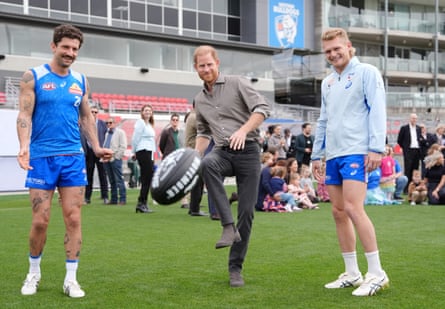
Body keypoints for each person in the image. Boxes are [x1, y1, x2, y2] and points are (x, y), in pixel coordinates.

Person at [16, 24, 113, 298]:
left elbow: (86, 117)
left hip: (73, 157)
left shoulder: (80, 81)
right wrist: (24, 146)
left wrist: (96, 146)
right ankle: (33, 272)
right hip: (42, 157)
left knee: (73, 217)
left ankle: (71, 279)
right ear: (53, 46)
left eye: (75, 49)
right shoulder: (32, 77)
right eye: (66, 47)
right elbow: (24, 115)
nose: (70, 53)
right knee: (40, 221)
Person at [311, 28, 389, 297]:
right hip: (333, 154)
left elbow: (377, 109)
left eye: (337, 48)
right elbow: (323, 120)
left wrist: (376, 148)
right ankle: (352, 273)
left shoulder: (367, 72)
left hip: (357, 151)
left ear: (348, 46)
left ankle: (377, 273)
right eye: (328, 51)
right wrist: (316, 154)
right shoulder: (327, 82)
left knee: (355, 209)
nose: (333, 54)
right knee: (338, 212)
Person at [193, 45, 270, 287]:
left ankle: (235, 268)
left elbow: (262, 109)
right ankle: (227, 226)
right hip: (223, 152)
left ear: (217, 63)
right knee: (207, 164)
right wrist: (193, 156)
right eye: (201, 66)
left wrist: (243, 130)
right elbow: (203, 132)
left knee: (246, 214)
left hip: (247, 150)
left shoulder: (237, 83)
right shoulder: (199, 100)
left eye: (209, 64)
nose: (206, 69)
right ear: (195, 68)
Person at [159, 113, 188, 208]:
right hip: (169, 158)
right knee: (166, 179)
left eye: (176, 120)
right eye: (173, 119)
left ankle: (184, 201)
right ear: (171, 121)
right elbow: (161, 146)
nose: (175, 121)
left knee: (181, 179)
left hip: (179, 158)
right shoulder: (166, 132)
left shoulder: (181, 133)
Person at [132, 104, 157, 213]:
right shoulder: (140, 123)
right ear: (142, 112)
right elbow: (135, 138)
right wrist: (134, 151)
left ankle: (143, 202)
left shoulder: (149, 125)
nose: (148, 112)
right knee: (146, 177)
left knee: (148, 177)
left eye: (149, 110)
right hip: (143, 150)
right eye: (145, 110)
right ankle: (141, 203)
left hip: (149, 152)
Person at [184, 103, 207, 217]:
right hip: (195, 152)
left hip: (193, 151)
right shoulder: (194, 117)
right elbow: (204, 129)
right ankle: (195, 209)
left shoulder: (192, 116)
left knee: (197, 181)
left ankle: (194, 208)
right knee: (198, 182)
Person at [82, 105, 109, 204]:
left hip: (100, 151)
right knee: (89, 175)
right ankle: (87, 197)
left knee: (102, 174)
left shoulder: (102, 124)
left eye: (95, 112)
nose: (93, 114)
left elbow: (106, 138)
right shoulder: (85, 123)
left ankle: (105, 196)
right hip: (89, 151)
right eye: (92, 112)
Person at [103, 117, 127, 205]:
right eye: (107, 123)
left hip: (115, 159)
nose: (109, 124)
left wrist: (117, 157)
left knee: (119, 179)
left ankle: (122, 199)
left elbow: (123, 146)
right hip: (107, 159)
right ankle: (113, 199)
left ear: (115, 123)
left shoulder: (120, 132)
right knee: (111, 180)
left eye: (110, 122)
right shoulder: (107, 133)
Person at [397, 113, 421, 189]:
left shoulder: (418, 128)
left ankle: (414, 186)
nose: (414, 120)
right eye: (413, 118)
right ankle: (406, 187)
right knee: (408, 168)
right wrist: (405, 148)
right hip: (408, 150)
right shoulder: (404, 128)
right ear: (410, 119)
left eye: (415, 118)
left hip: (416, 150)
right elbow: (399, 140)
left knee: (415, 169)